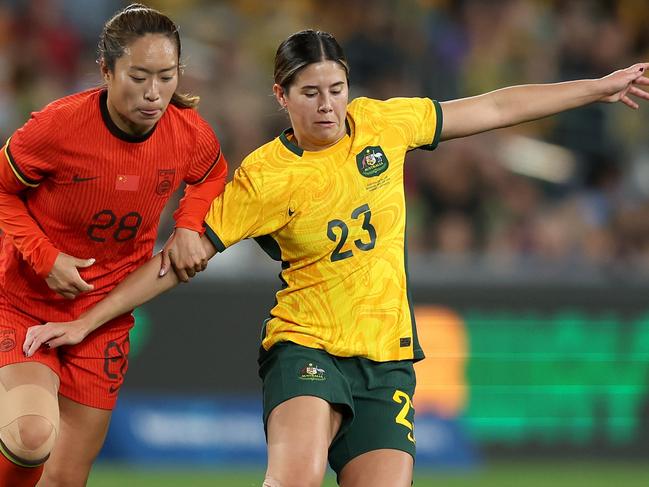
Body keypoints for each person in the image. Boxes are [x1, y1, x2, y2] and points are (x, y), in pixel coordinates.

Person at [23, 30, 649, 487]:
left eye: (337, 89)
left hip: (387, 357)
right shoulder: (265, 176)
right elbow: (173, 261)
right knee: (293, 480)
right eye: (311, 92)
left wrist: (596, 88)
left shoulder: (384, 125)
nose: (328, 105)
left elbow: (491, 107)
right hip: (306, 345)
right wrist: (86, 320)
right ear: (282, 97)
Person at [0, 4, 228, 487]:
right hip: (24, 302)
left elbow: (212, 175)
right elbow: (1, 189)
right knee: (30, 437)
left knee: (64, 478)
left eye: (166, 77)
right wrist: (45, 257)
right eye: (138, 76)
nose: (153, 93)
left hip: (105, 315)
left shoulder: (189, 133)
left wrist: (188, 224)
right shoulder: (57, 127)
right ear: (106, 70)